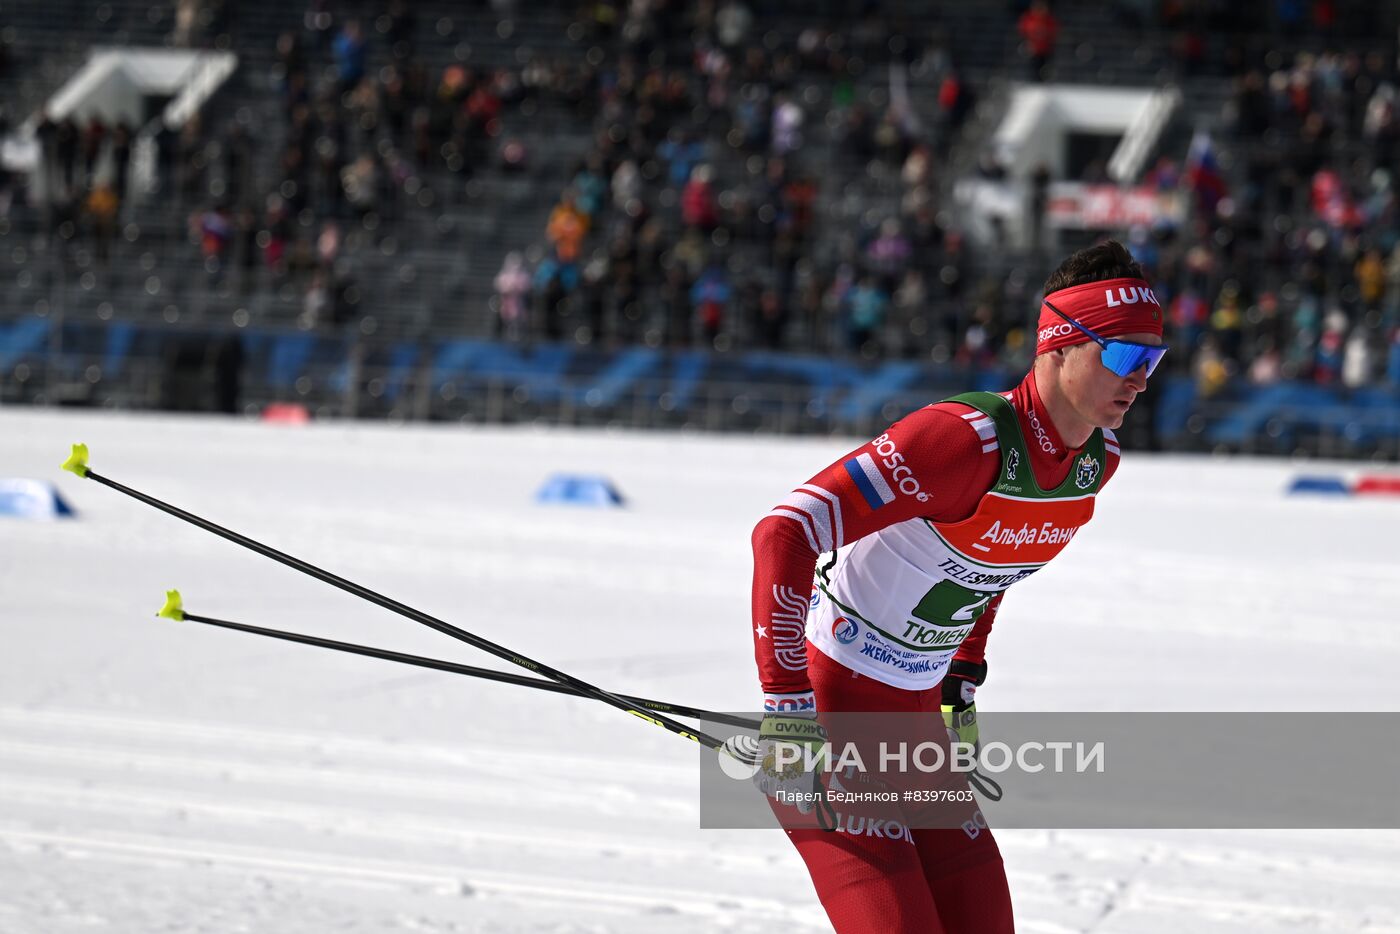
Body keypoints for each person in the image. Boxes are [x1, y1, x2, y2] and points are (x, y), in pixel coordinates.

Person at [749, 240, 1166, 932]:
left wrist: (960, 683)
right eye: (1124, 356)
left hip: (914, 734)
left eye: (1153, 361)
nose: (1141, 379)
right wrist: (788, 710)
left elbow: (990, 561)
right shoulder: (963, 441)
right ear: (1061, 345)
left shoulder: (1097, 460)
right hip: (833, 726)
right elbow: (784, 532)